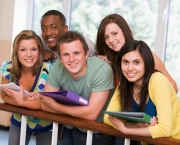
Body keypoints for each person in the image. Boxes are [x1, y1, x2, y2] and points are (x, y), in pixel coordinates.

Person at [38, 31, 115, 145]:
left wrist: (55, 106)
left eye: (76, 53)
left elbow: (91, 114)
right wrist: (78, 112)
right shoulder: (57, 67)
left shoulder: (102, 69)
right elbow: (45, 104)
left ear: (87, 53)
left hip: (98, 131)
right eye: (65, 54)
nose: (71, 59)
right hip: (70, 126)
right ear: (60, 57)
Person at [104, 40, 180, 144]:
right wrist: (135, 126)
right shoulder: (125, 84)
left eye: (136, 62)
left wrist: (127, 130)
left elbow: (165, 129)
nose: (130, 68)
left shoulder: (158, 80)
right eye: (125, 62)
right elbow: (108, 118)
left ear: (147, 63)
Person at [96, 13, 178, 93]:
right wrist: (103, 67)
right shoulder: (111, 62)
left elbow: (174, 87)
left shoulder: (146, 55)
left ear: (124, 31)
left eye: (114, 33)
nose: (110, 40)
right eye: (106, 37)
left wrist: (149, 96)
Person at [0, 30, 54, 145]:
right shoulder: (8, 68)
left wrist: (21, 102)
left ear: (40, 51)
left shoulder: (50, 70)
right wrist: (22, 102)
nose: (29, 54)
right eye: (23, 49)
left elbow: (49, 103)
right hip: (19, 120)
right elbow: (3, 95)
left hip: (46, 123)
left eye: (33, 49)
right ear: (16, 52)